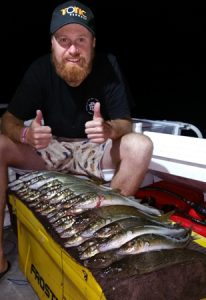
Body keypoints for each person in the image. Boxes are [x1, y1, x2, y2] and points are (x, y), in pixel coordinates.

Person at [0, 0, 153, 277]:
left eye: (81, 39)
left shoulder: (108, 65)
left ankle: (102, 237)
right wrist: (25, 133)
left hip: (94, 148)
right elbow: (7, 120)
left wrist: (110, 130)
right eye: (64, 40)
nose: (72, 49)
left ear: (93, 43)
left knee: (140, 145)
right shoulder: (39, 70)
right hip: (51, 147)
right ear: (52, 44)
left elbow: (125, 123)